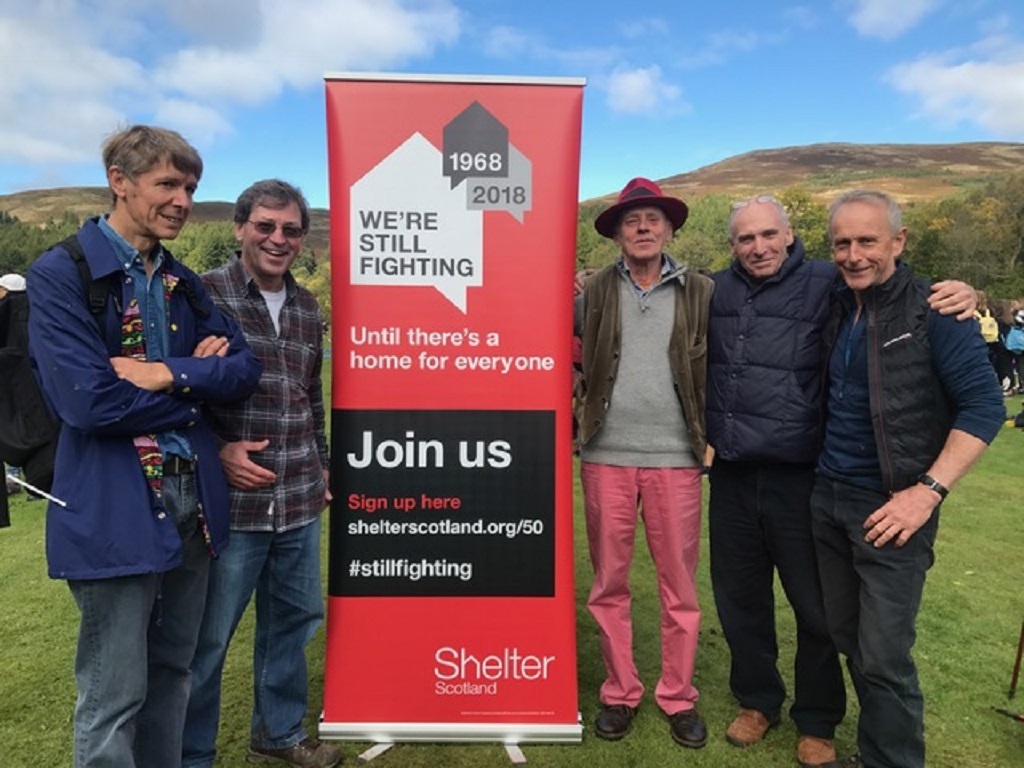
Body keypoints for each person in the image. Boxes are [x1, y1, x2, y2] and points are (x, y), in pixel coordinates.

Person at [706, 195, 980, 768]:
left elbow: (976, 400)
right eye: (744, 238)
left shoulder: (841, 287)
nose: (757, 246)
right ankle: (758, 702)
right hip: (759, 479)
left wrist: (966, 291)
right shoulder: (725, 291)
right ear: (731, 246)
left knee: (835, 622)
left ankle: (820, 720)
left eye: (767, 234)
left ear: (789, 236)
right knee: (761, 606)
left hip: (829, 485)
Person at [25, 125, 261, 768]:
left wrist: (168, 372)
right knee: (114, 691)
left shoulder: (182, 281)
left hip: (194, 498)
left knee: (173, 674)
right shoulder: (63, 273)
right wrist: (197, 389)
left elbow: (243, 370)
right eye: (167, 183)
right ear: (119, 181)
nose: (183, 199)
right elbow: (88, 402)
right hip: (112, 503)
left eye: (190, 186)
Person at [811, 189, 1004, 768]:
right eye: (842, 243)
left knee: (884, 656)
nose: (853, 254)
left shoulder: (935, 310)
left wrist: (928, 492)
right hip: (829, 498)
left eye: (867, 241)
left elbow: (984, 407)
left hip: (895, 508)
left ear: (899, 241)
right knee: (851, 641)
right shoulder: (838, 302)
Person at [182, 180, 339, 768]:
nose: (278, 239)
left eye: (291, 229)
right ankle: (190, 753)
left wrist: (322, 466)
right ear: (240, 227)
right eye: (266, 226)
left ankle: (277, 734)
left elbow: (310, 397)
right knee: (208, 638)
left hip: (299, 497)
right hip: (231, 503)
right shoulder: (202, 295)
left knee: (292, 625)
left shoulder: (306, 307)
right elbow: (177, 391)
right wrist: (218, 449)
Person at [574, 177, 712, 749]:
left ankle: (678, 696)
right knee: (610, 583)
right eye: (632, 221)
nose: (644, 229)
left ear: (670, 228)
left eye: (653, 219)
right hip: (606, 454)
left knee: (679, 586)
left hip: (677, 457)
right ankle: (620, 691)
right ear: (617, 234)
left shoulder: (703, 291)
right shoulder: (593, 292)